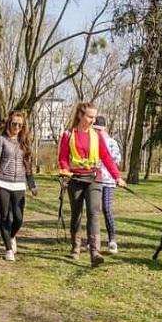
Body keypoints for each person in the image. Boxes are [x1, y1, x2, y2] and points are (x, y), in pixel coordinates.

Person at [58, 102, 126, 267]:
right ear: (80, 115)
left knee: (94, 213)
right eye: (90, 116)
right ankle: (76, 247)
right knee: (77, 213)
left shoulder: (97, 136)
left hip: (95, 178)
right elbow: (63, 158)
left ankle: (94, 252)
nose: (92, 120)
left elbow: (106, 157)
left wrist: (117, 176)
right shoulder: (68, 135)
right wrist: (65, 170)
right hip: (76, 179)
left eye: (94, 117)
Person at [0, 111, 38, 261]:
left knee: (18, 217)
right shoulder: (0, 140)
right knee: (4, 216)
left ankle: (12, 236)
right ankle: (8, 249)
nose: (17, 127)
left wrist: (32, 184)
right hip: (3, 182)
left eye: (20, 125)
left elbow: (27, 165)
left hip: (19, 184)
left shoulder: (24, 143)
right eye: (14, 124)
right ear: (9, 124)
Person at [93, 116, 122, 254]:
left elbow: (116, 160)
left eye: (99, 129)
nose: (97, 132)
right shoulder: (92, 141)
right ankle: (93, 241)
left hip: (108, 182)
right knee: (93, 211)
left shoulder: (112, 142)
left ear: (104, 128)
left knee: (107, 209)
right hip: (94, 180)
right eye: (95, 129)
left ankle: (112, 240)